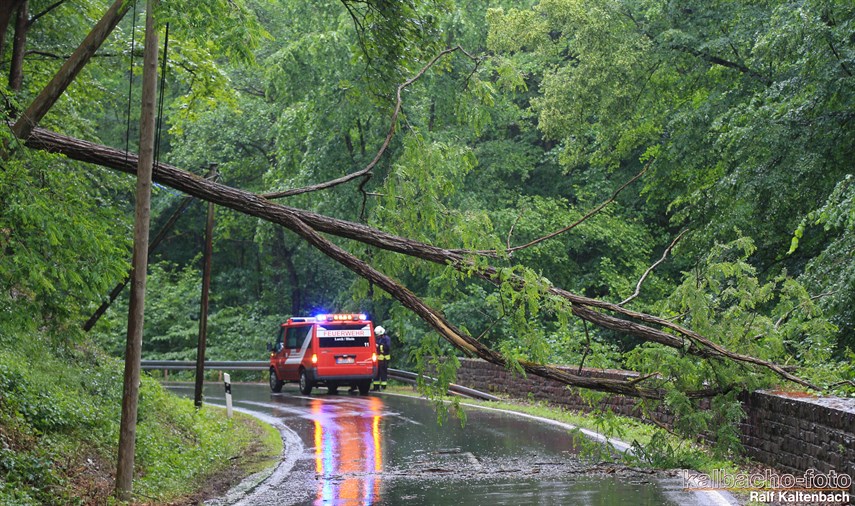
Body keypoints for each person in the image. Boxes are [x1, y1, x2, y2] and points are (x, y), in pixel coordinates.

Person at [373, 325, 391, 391]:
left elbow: (387, 347)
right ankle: (376, 387)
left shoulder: (386, 339)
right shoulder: (378, 338)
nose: (377, 336)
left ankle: (383, 387)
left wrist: (379, 346)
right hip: (377, 360)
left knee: (383, 373)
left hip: (384, 360)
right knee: (376, 373)